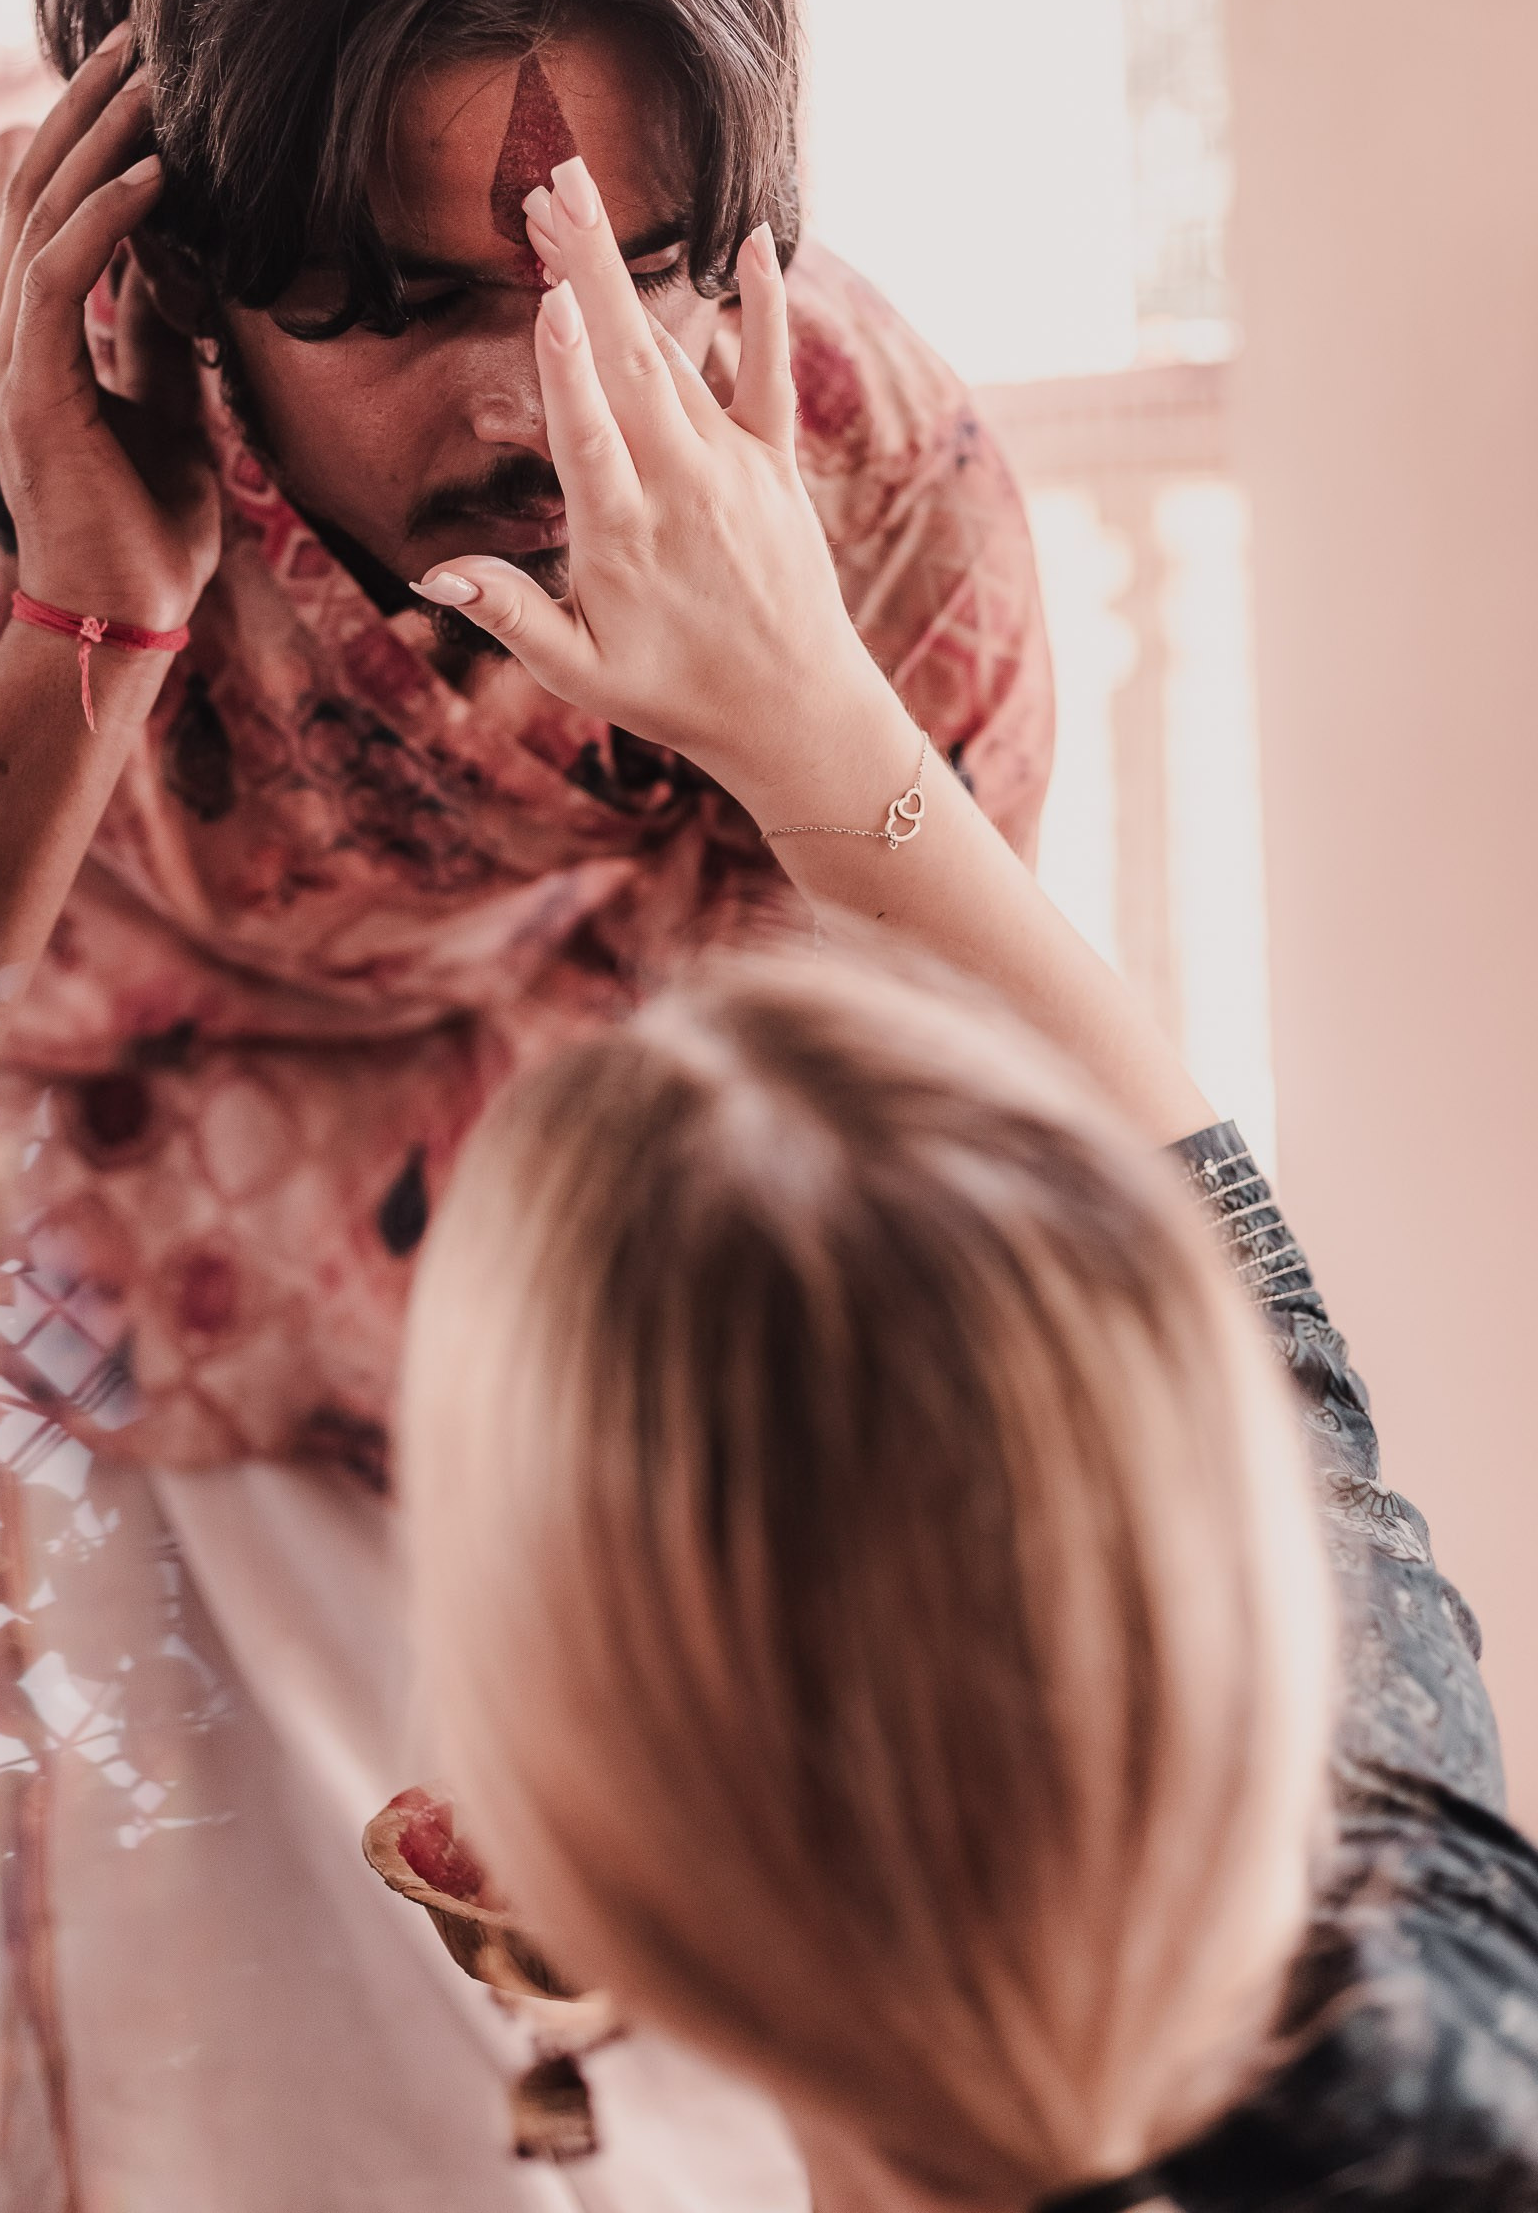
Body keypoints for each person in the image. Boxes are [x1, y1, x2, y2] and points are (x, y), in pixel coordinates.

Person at [0, 0, 1052, 2205]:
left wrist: (804, 716)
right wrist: (83, 633)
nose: (541, 400)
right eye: (409, 305)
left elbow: (970, 1229)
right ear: (172, 252)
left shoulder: (850, 478)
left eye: (637, 270)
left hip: (649, 1396)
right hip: (129, 1387)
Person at [399, 154, 1538, 2211]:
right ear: (1221, 1617)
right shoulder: (1440, 2027)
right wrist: (819, 722)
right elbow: (1258, 1322)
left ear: (553, 1894)